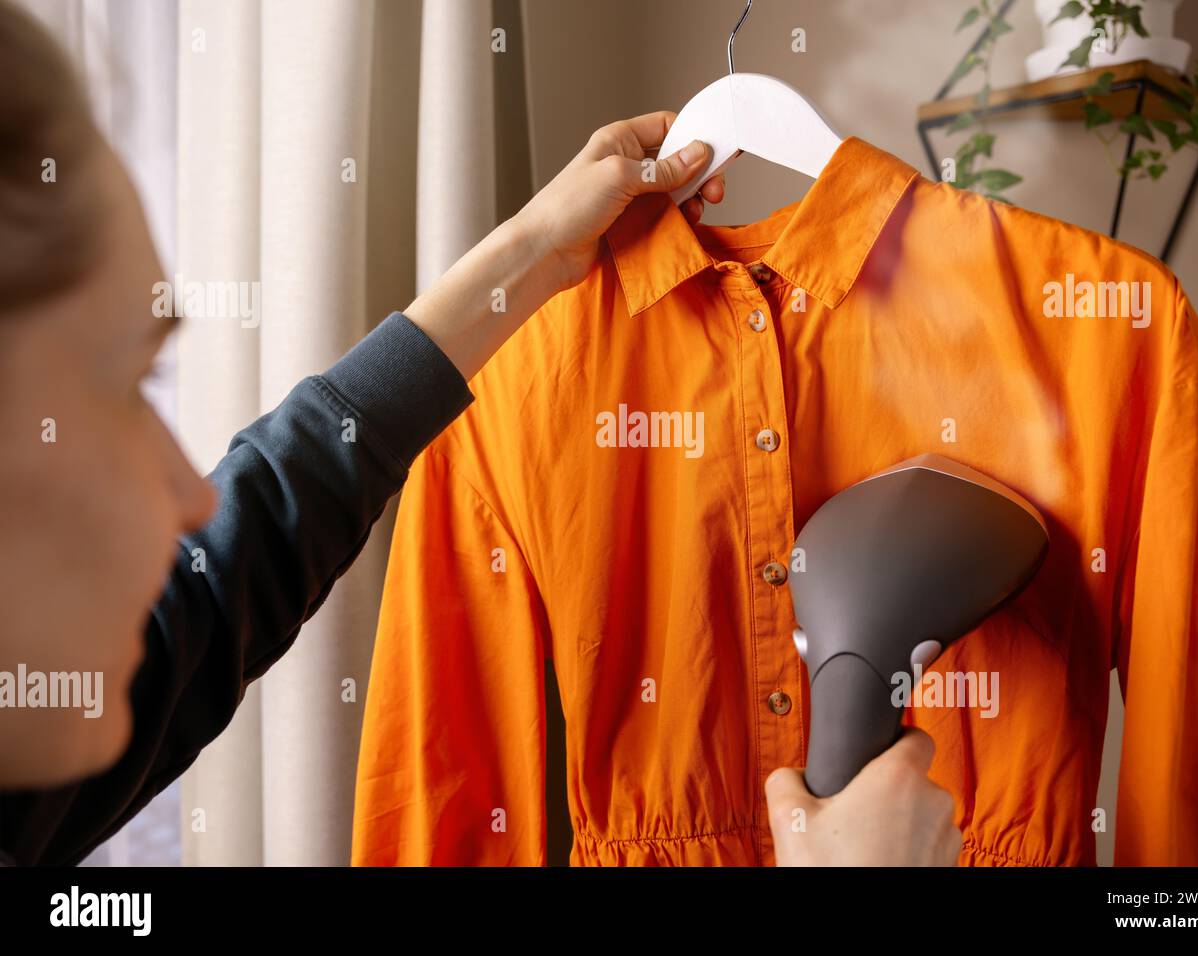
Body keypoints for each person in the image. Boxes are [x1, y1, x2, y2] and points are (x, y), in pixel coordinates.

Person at [0, 0, 959, 866]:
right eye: (129, 385)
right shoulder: (527, 381)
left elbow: (258, 536)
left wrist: (535, 250)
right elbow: (443, 764)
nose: (192, 495)